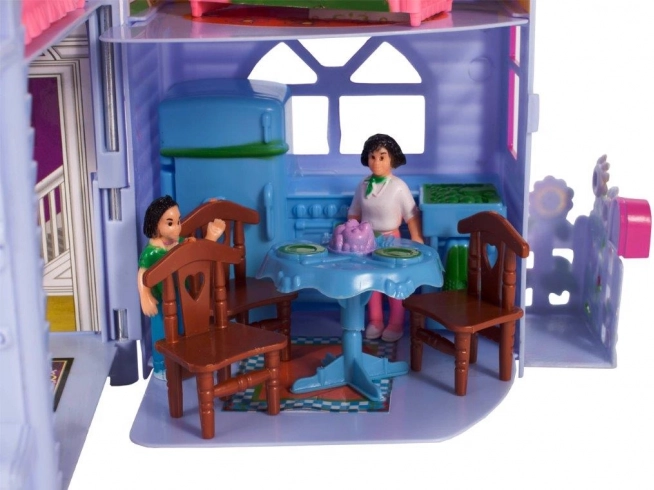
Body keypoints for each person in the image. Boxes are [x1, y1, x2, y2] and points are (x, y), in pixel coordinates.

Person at [137, 195, 225, 379]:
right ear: (156, 225)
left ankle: (182, 361)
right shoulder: (152, 252)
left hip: (182, 295)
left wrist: (209, 237)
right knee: (161, 331)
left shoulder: (178, 242)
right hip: (161, 299)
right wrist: (145, 295)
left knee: (184, 327)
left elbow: (194, 251)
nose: (177, 227)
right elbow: (142, 273)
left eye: (178, 221)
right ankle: (161, 366)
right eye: (170, 223)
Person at [347, 134, 424, 342]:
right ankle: (375, 320)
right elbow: (354, 212)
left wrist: (416, 237)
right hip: (367, 240)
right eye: (372, 157)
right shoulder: (363, 185)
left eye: (382, 157)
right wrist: (352, 232)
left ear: (392, 159)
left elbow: (411, 215)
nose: (376, 162)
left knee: (393, 282)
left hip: (392, 240)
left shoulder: (398, 186)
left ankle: (396, 322)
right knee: (371, 282)